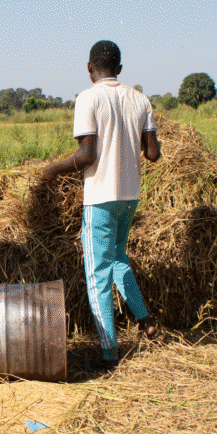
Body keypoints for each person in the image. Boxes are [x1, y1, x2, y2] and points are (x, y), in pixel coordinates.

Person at [41, 40, 160, 371]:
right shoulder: (140, 99)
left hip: (100, 197)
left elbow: (85, 156)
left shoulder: (88, 98)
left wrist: (53, 170)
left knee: (97, 274)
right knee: (117, 257)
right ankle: (145, 319)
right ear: (119, 68)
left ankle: (108, 353)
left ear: (90, 68)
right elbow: (153, 153)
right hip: (129, 196)